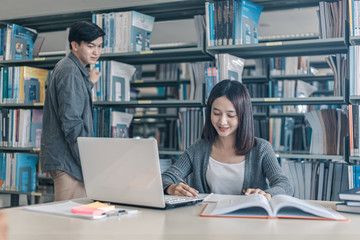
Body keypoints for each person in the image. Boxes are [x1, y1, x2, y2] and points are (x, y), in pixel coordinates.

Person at [162, 80, 293, 200]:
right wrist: (171, 187)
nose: (222, 121)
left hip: (249, 221)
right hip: (205, 221)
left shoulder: (261, 148)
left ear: (243, 116)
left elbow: (285, 185)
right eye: (216, 113)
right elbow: (165, 178)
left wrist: (267, 194)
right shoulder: (199, 148)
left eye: (230, 115)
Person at [40, 21, 105, 201]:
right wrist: (87, 160)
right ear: (75, 45)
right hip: (68, 161)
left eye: (100, 46)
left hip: (68, 159)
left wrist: (89, 83)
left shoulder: (72, 69)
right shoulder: (69, 71)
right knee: (68, 224)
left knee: (75, 221)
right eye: (90, 46)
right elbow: (71, 122)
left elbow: (74, 101)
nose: (96, 52)